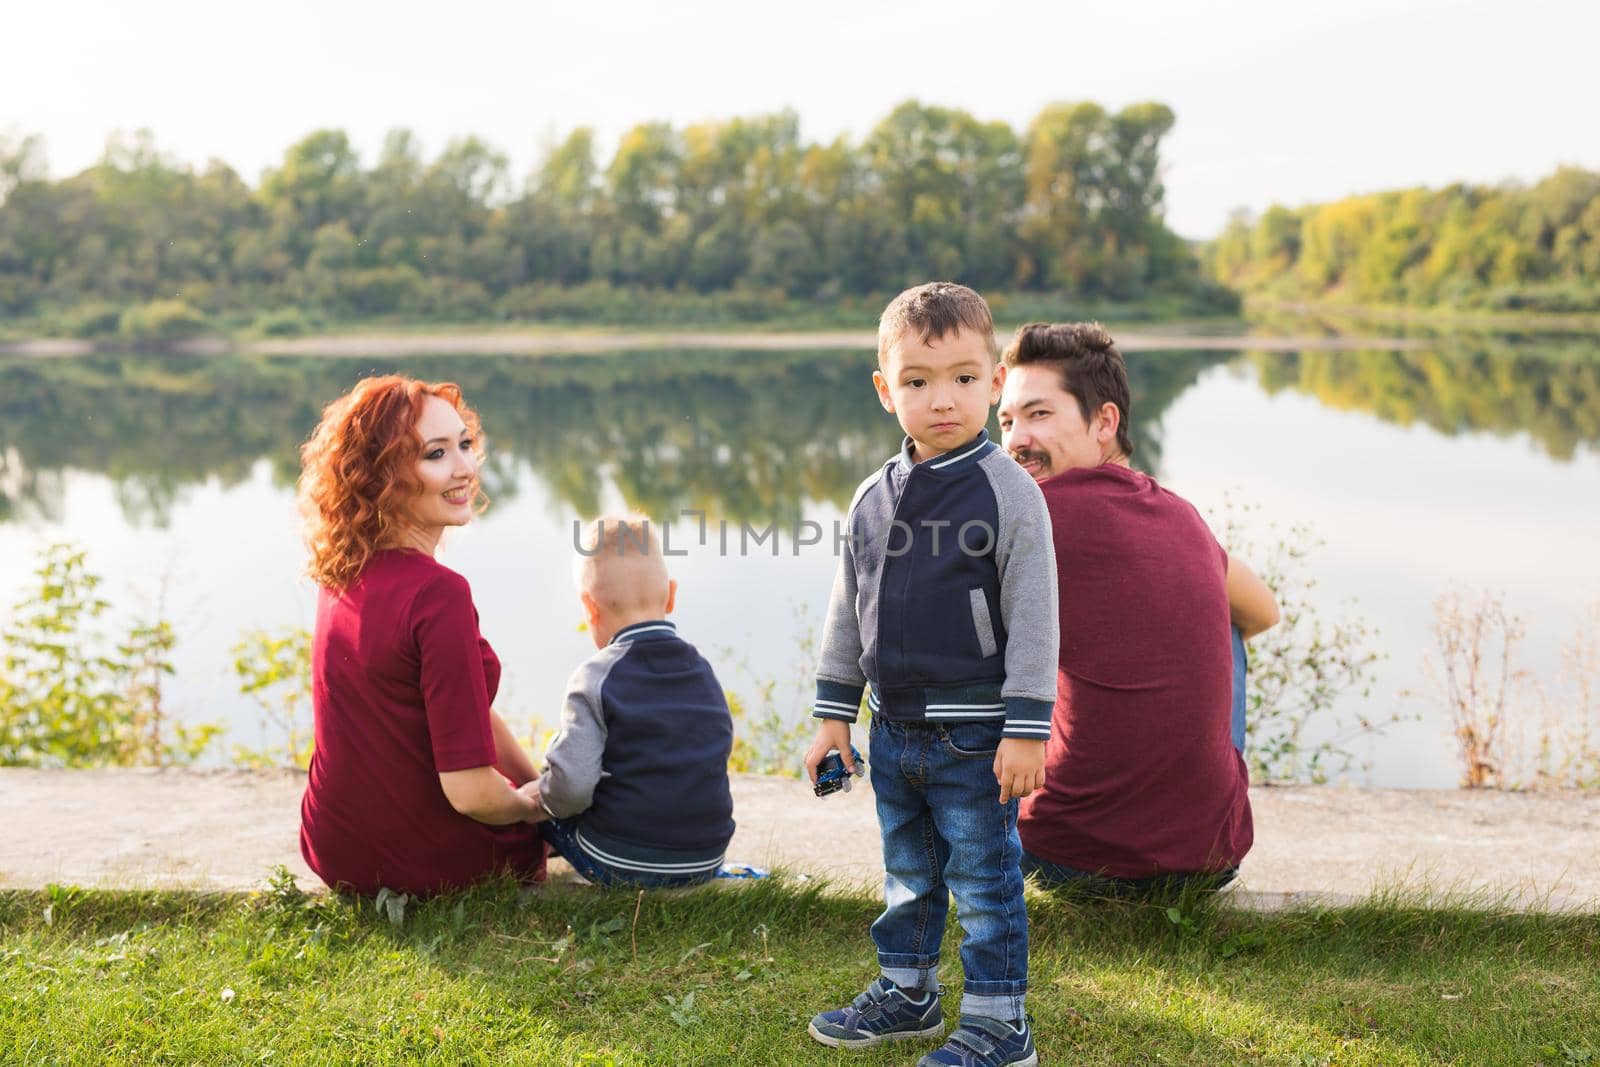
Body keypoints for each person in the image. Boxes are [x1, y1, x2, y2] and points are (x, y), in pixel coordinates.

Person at [803, 283, 1057, 1067]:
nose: (941, 399)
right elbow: (850, 612)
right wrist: (833, 717)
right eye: (917, 381)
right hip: (895, 729)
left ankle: (999, 1023)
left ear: (995, 381)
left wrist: (1025, 728)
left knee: (985, 880)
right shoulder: (872, 497)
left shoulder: (1009, 493)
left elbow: (1037, 620)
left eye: (964, 378)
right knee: (907, 872)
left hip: (978, 734)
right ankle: (908, 993)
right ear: (886, 390)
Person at [996, 322, 1279, 894]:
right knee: (1225, 623)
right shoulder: (1183, 517)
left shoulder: (1027, 515)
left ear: (1104, 422)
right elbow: (1264, 612)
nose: (1016, 439)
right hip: (1208, 862)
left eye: (1039, 415)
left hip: (1062, 858)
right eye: (1005, 421)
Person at [297, 375, 547, 897]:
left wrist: (538, 783)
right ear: (381, 475)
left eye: (465, 444)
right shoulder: (438, 594)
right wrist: (533, 811)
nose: (466, 469)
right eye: (436, 454)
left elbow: (460, 709)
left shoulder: (343, 569)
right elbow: (471, 793)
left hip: (335, 846)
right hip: (422, 862)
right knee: (530, 832)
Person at [532, 514, 735, 888]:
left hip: (623, 863)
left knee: (547, 807)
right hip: (706, 856)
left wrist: (545, 791)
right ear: (671, 595)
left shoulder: (595, 676)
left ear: (589, 608)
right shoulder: (702, 669)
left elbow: (571, 789)